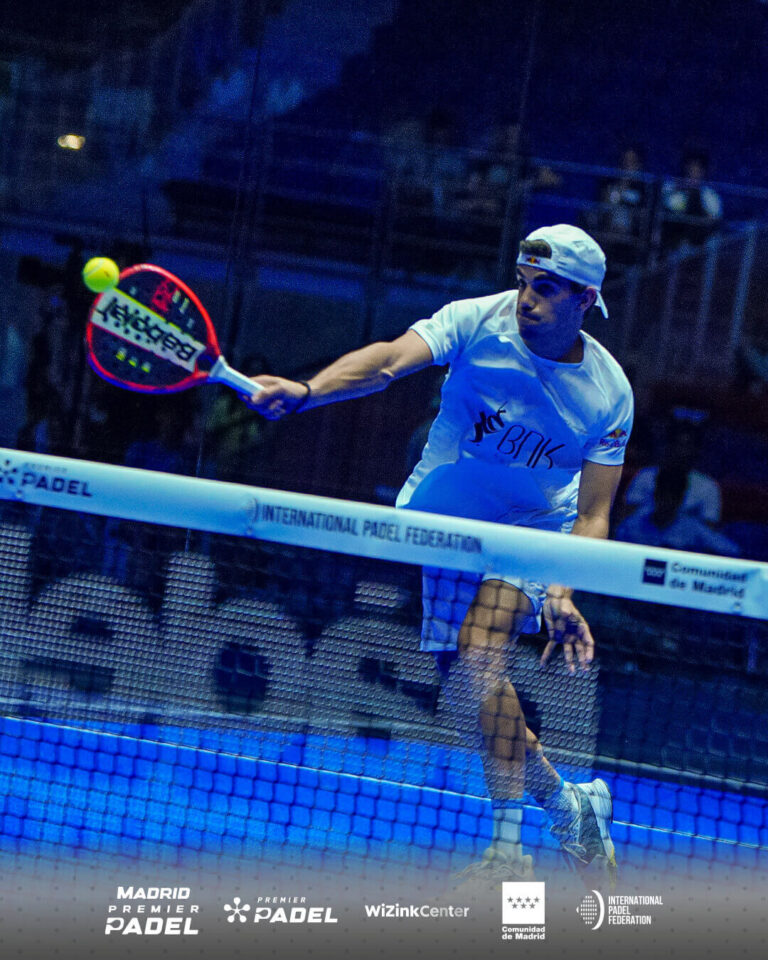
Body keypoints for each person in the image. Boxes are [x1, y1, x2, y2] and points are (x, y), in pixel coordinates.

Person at [247, 224, 633, 887]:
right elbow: (389, 361)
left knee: (480, 652)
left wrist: (564, 588)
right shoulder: (475, 321)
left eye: (546, 288)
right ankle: (571, 807)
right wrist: (309, 392)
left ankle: (507, 851)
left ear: (584, 299)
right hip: (448, 523)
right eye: (524, 282)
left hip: (534, 528)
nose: (527, 299)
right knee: (468, 690)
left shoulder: (609, 393)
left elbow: (595, 513)